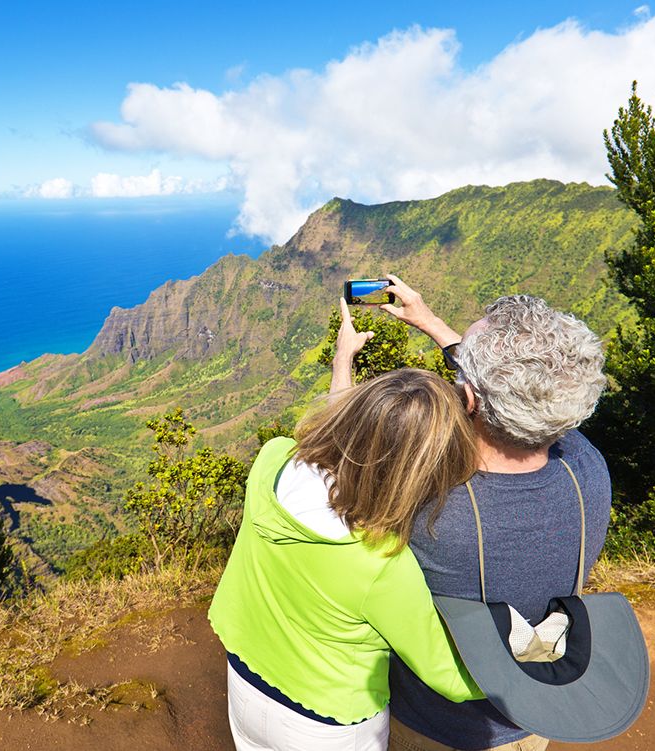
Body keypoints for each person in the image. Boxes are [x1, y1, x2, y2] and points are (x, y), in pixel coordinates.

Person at [209, 298, 485, 751]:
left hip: (244, 682)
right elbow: (447, 675)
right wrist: (530, 671)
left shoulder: (271, 463)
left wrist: (343, 360)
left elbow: (342, 446)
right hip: (325, 724)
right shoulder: (380, 562)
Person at [378, 275, 612, 751]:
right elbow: (529, 392)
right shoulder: (587, 467)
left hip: (435, 727)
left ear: (468, 400)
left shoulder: (432, 503)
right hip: (531, 712)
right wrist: (433, 324)